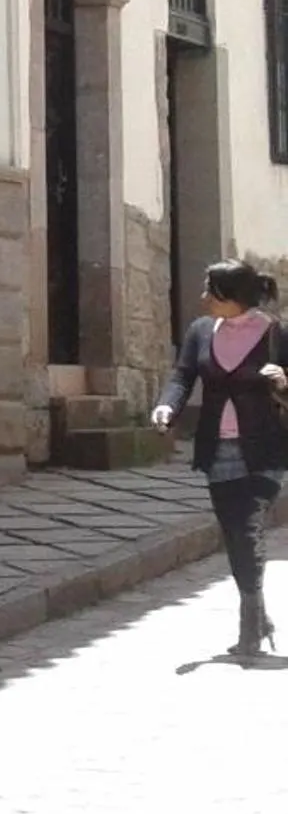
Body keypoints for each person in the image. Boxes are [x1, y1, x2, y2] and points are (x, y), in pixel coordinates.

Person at [152, 260, 288, 658]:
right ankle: (258, 614)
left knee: (247, 527)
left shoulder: (277, 334)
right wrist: (166, 406)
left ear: (234, 296)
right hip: (218, 448)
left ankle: (249, 626)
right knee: (234, 532)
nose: (203, 298)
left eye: (211, 291)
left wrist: (284, 381)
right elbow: (182, 377)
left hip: (265, 447)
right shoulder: (200, 331)